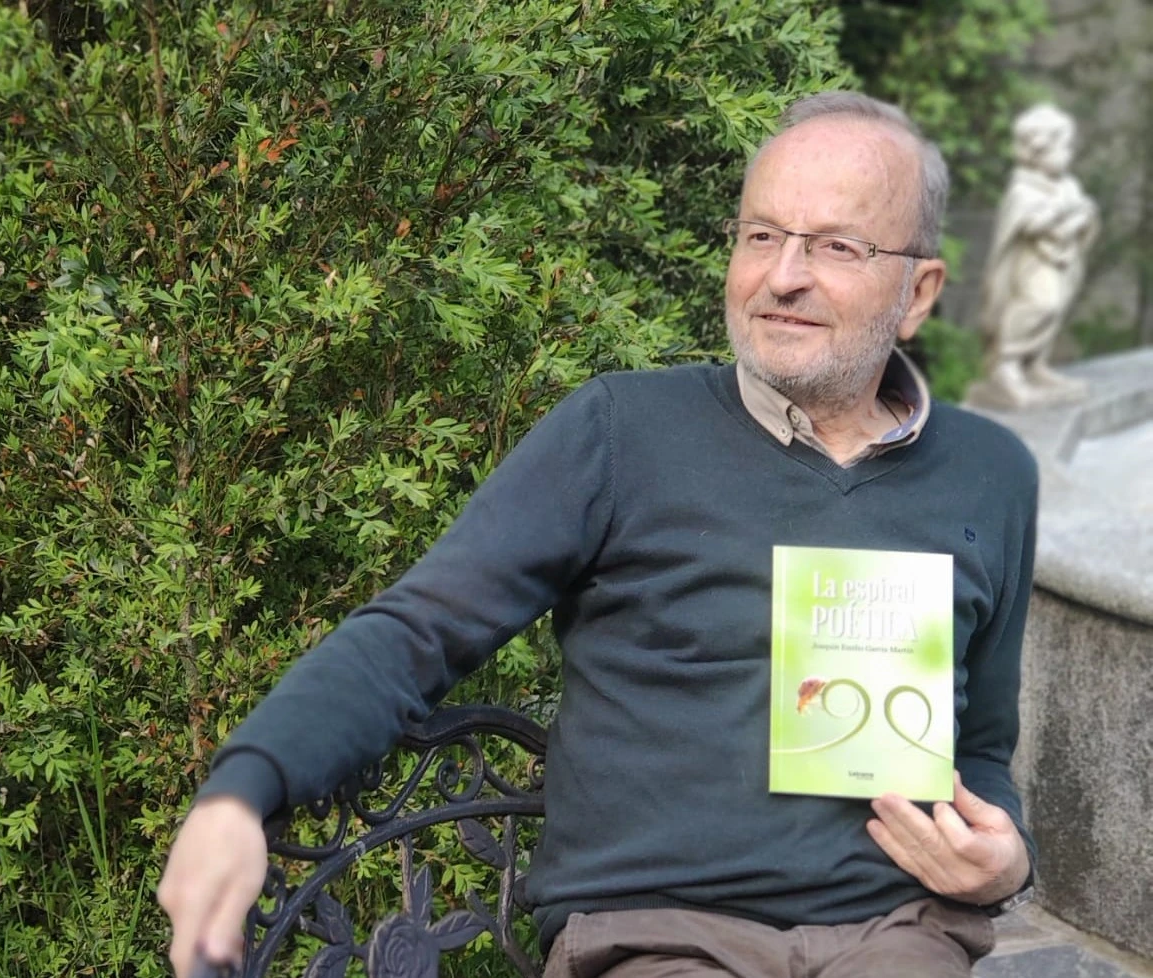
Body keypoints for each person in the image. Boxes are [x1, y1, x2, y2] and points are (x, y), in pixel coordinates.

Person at [158, 92, 1038, 978]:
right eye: (760, 235)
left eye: (836, 247)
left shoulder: (989, 473)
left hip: (895, 934)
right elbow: (418, 632)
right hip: (657, 936)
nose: (783, 276)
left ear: (917, 292)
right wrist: (242, 791)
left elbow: (982, 747)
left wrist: (1006, 863)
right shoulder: (620, 431)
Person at [973, 102, 1098, 408]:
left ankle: (1033, 364)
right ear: (1038, 151)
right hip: (1031, 266)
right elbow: (1031, 222)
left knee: (1056, 307)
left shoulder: (1067, 184)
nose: (1069, 154)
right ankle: (1006, 363)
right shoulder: (1024, 189)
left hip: (1061, 261)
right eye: (1062, 147)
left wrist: (1074, 218)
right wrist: (1066, 215)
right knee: (1041, 304)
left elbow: (1085, 213)